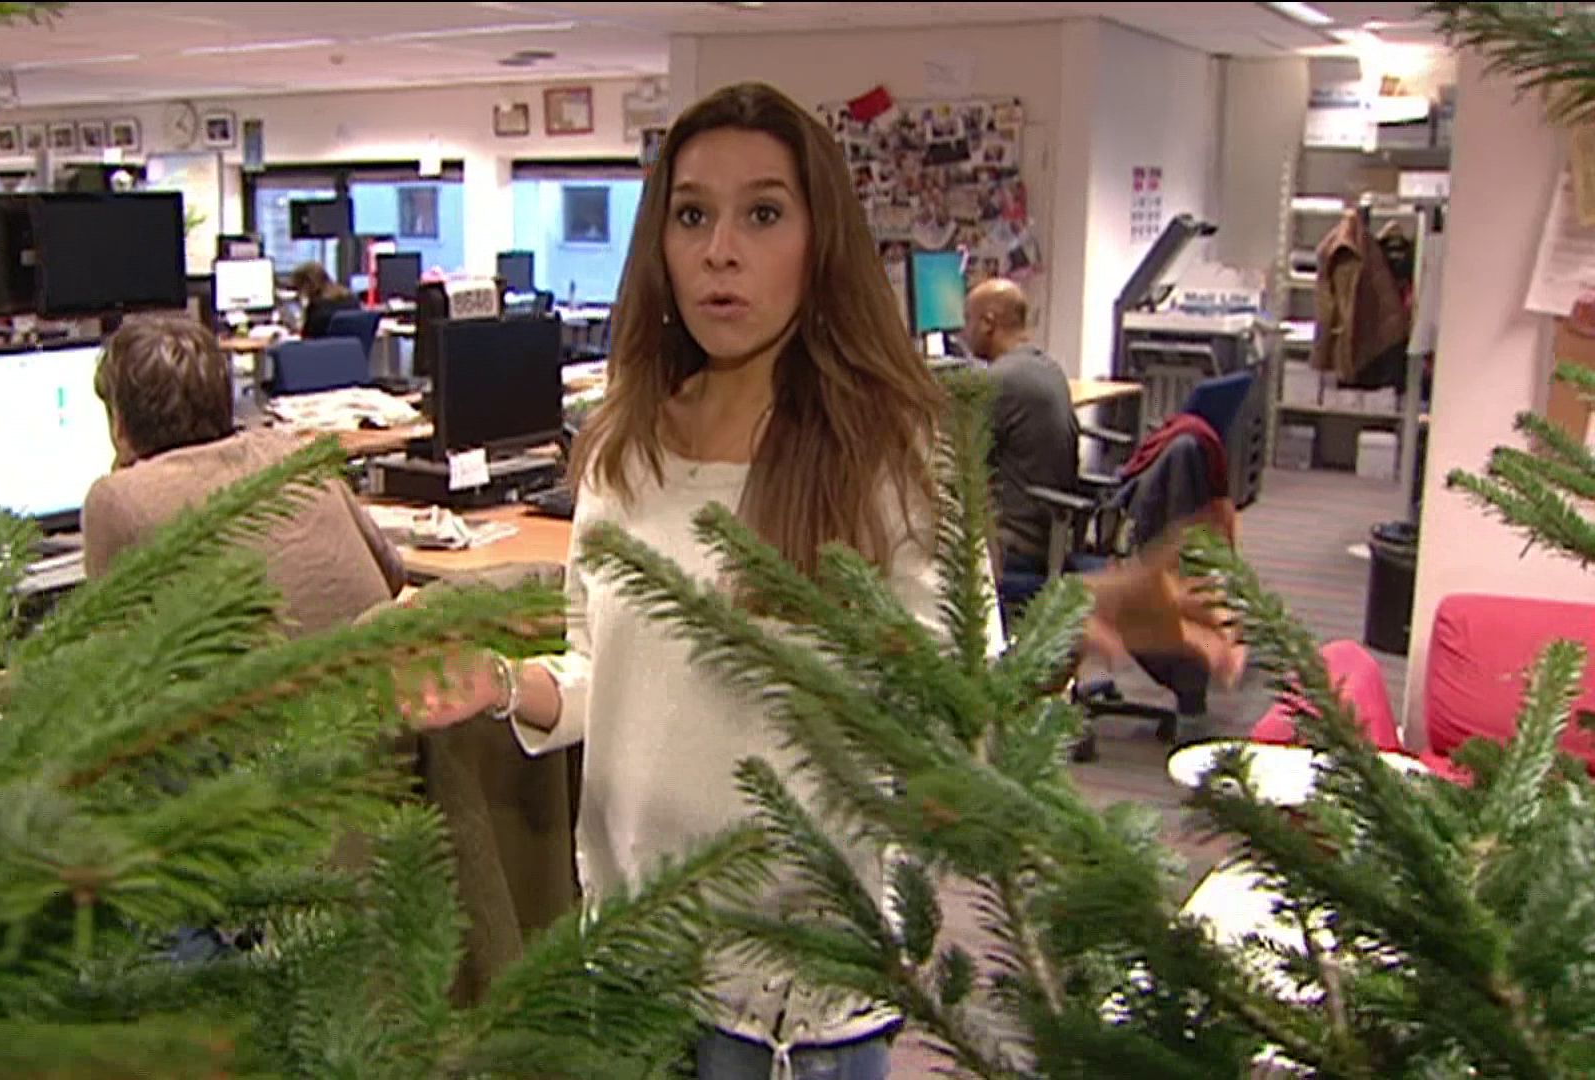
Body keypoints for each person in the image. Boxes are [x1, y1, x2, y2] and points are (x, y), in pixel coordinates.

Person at [408, 82, 1236, 1079]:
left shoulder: (889, 455)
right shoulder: (625, 447)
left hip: (791, 993)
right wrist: (505, 684)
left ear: (821, 243)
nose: (721, 251)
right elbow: (605, 672)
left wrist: (1083, 613)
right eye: (692, 216)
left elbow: (951, 711)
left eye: (763, 214)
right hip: (633, 951)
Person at [81, 314, 403, 632]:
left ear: (119, 423)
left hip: (281, 669)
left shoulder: (117, 500)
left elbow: (106, 647)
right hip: (381, 660)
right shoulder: (290, 451)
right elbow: (393, 574)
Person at [965, 277, 1086, 577]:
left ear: (987, 323)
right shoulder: (1049, 368)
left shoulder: (999, 380)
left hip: (1014, 549)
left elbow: (957, 455)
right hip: (1048, 540)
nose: (963, 332)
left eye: (968, 320)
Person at [290, 262, 358, 340]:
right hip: (353, 347)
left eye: (298, 287)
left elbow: (308, 339)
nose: (299, 292)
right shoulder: (351, 298)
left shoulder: (317, 308)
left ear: (308, 284)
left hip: (323, 347)